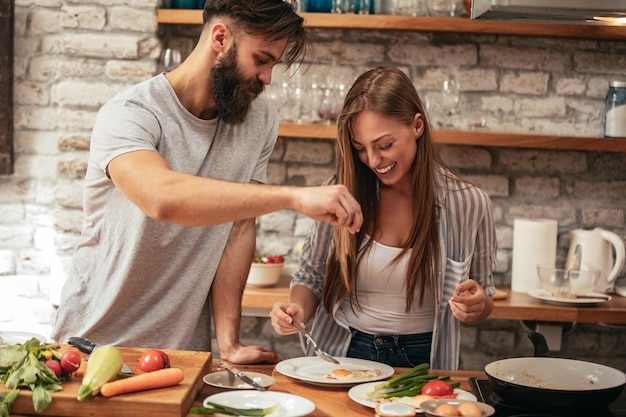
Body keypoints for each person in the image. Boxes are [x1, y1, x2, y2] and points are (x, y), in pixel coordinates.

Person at [51, 0, 363, 365]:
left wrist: (228, 342)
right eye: (261, 60)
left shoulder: (258, 120)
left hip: (182, 353)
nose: (267, 78)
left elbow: (238, 226)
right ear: (220, 37)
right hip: (93, 342)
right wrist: (292, 196)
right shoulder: (130, 113)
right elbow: (161, 197)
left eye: (273, 65)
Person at [270, 67, 497, 370]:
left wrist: (478, 305)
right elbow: (311, 278)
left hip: (425, 360)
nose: (373, 161)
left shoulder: (469, 204)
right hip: (345, 352)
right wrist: (295, 309)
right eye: (360, 148)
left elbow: (484, 294)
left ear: (417, 126)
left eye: (385, 145)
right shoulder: (339, 195)